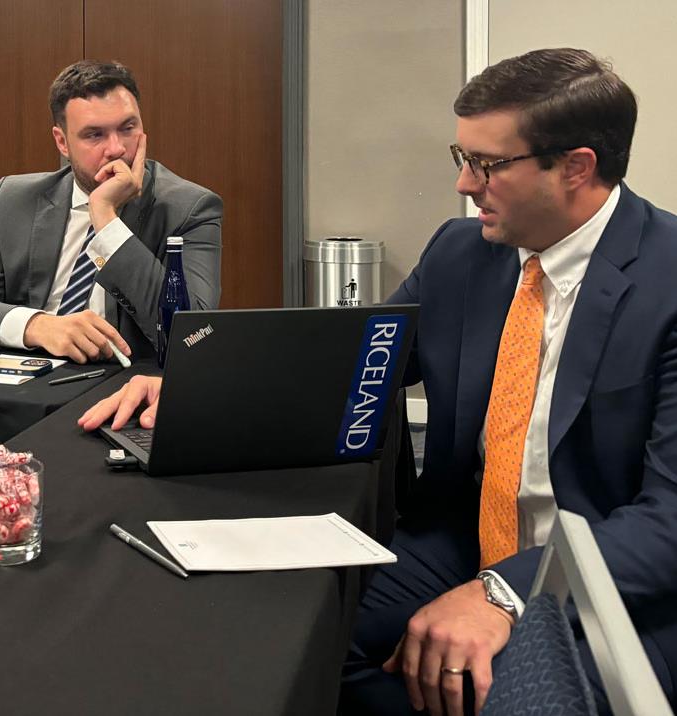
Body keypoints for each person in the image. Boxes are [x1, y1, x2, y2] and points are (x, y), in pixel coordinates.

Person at [81, 48, 677, 714]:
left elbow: (669, 523)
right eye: (463, 158)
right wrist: (205, 383)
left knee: (522, 699)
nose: (464, 185)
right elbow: (355, 358)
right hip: (462, 540)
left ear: (576, 168)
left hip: (603, 582)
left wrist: (501, 594)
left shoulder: (668, 281)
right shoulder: (463, 252)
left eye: (488, 165)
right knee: (301, 652)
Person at [0, 60, 222, 363]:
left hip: (122, 387)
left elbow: (191, 334)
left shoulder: (190, 209)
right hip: (30, 378)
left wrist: (106, 218)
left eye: (128, 128)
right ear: (62, 142)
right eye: (94, 135)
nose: (116, 149)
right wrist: (38, 325)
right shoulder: (15, 199)